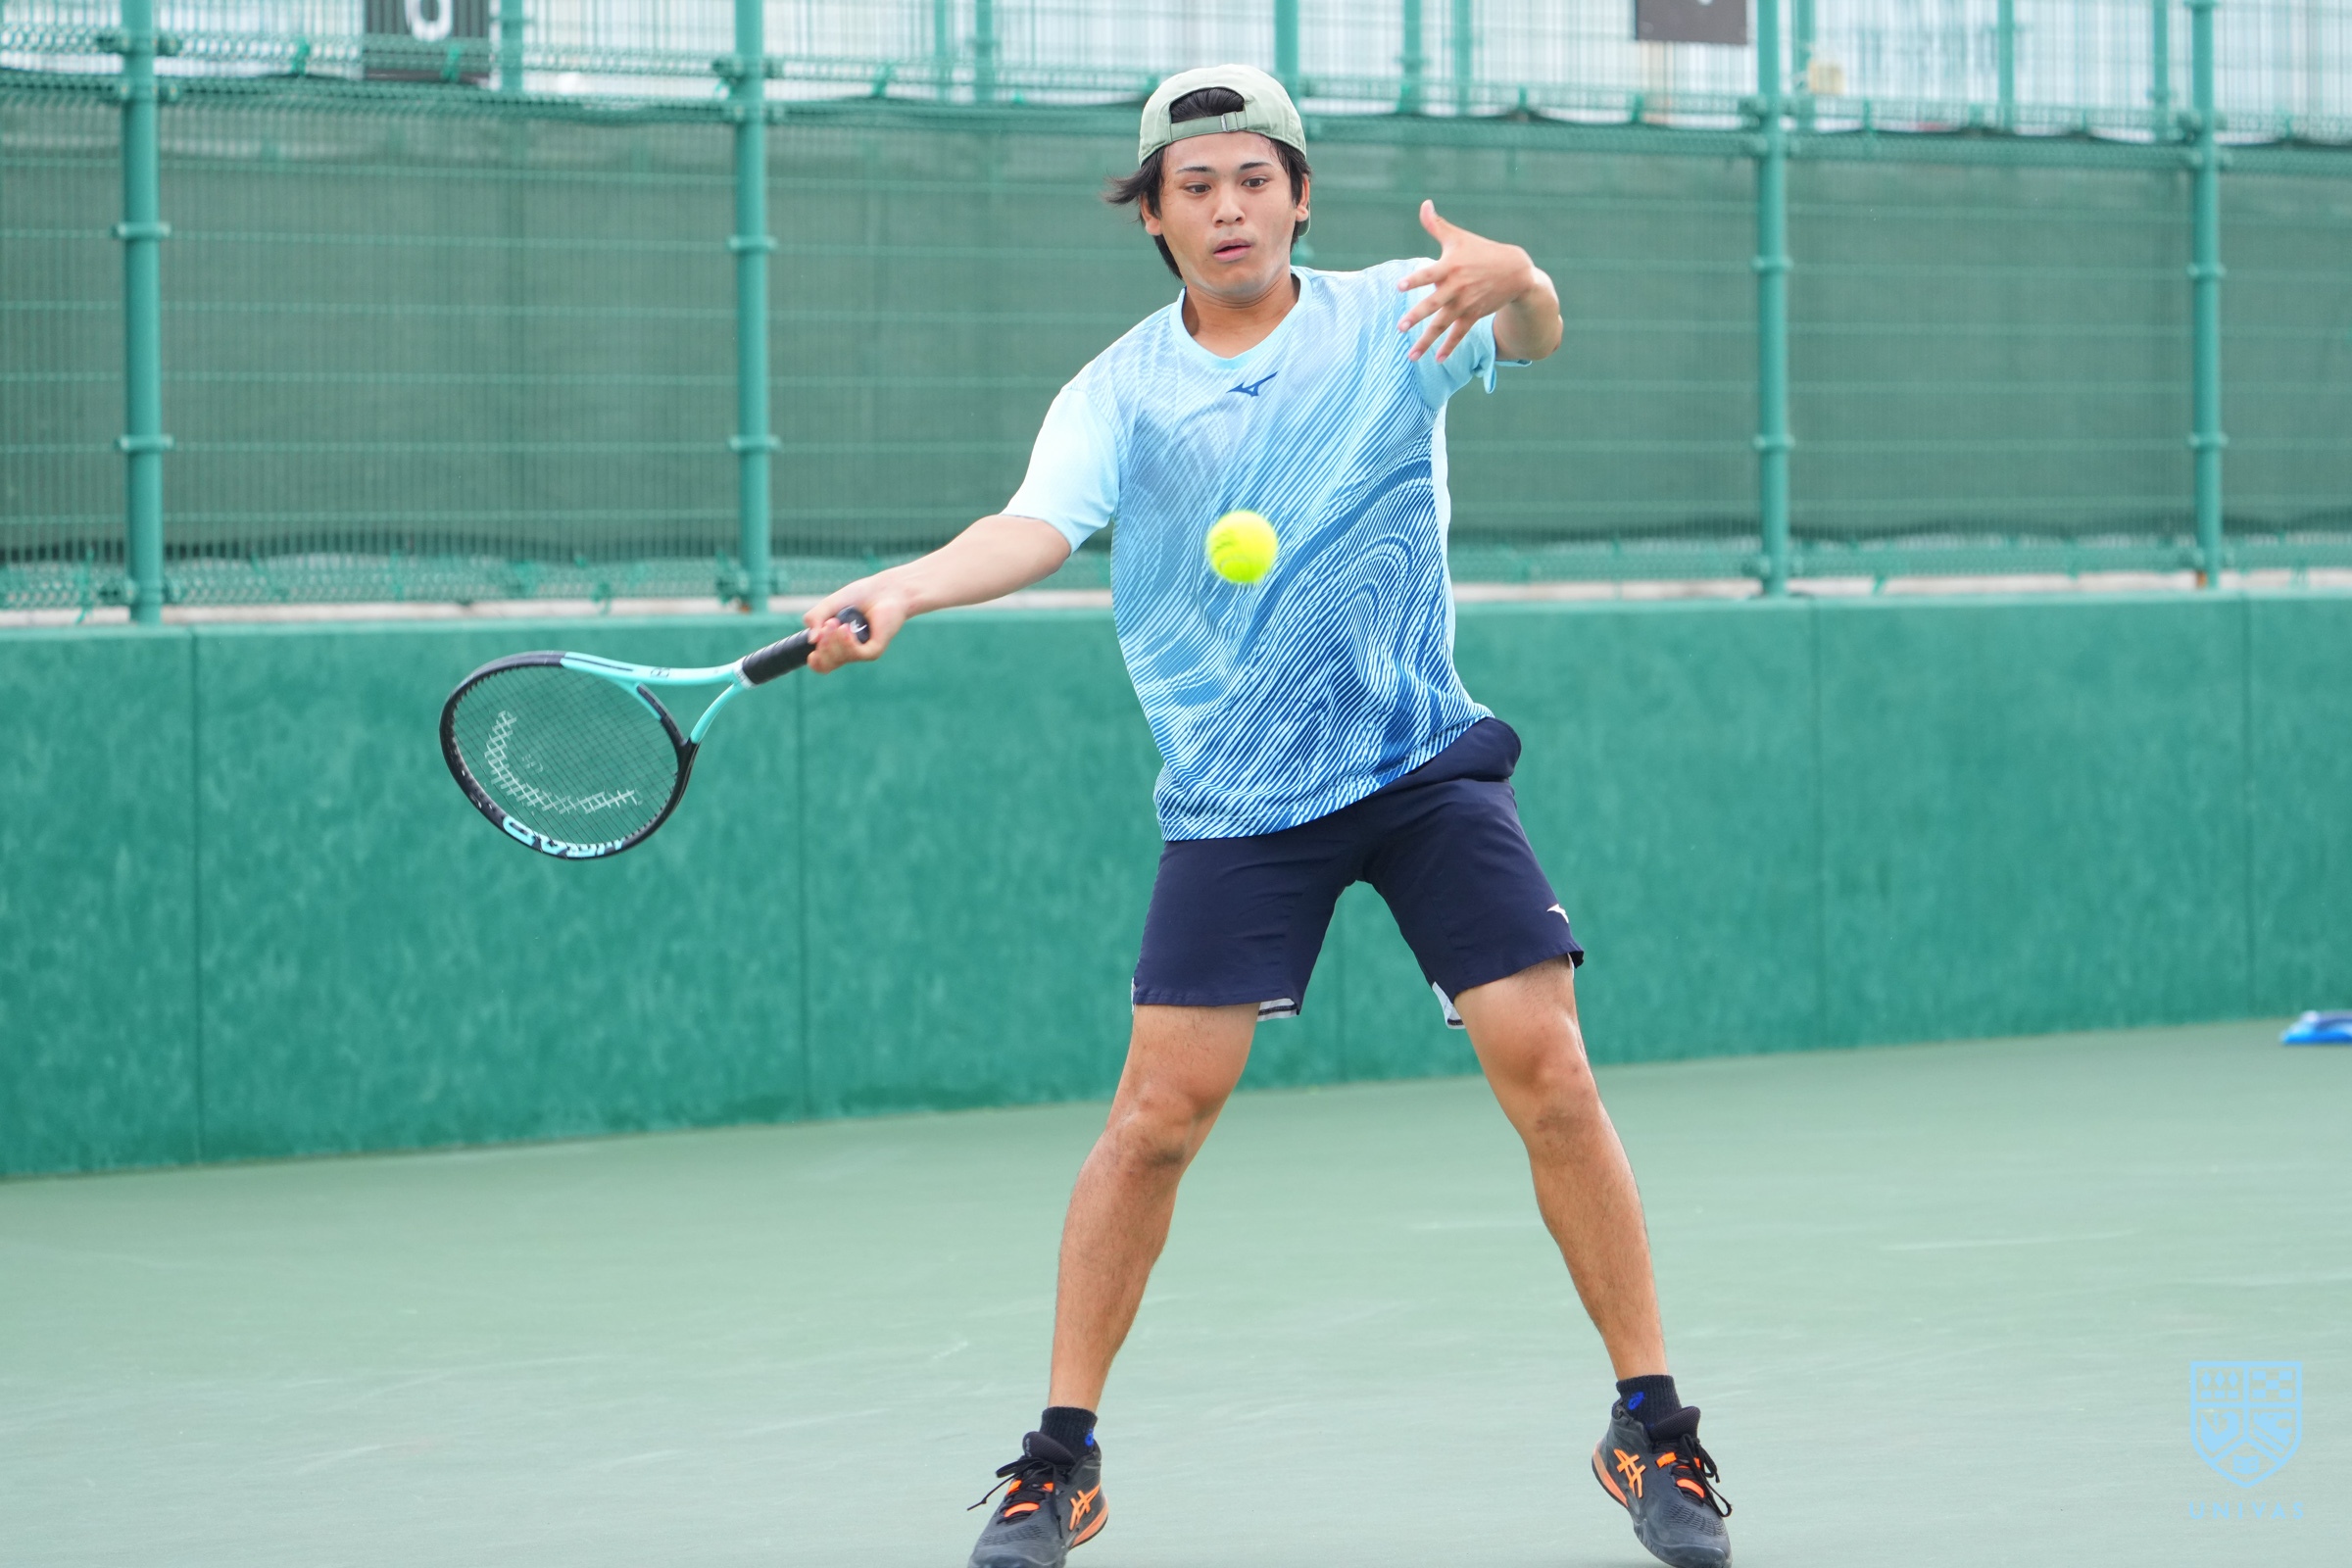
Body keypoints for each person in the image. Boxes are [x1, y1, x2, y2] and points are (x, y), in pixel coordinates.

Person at [801, 63, 1733, 1568]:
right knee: (1156, 1122)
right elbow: (1034, 525)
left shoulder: (1396, 315)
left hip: (1417, 759)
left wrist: (1524, 277)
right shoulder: (1118, 393)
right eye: (1196, 187)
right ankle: (1059, 1461)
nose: (1227, 208)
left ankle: (1653, 1425)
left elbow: (1531, 335)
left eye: (1253, 179)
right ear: (1155, 218)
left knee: (1549, 1064)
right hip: (1238, 792)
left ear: (1300, 197)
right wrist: (905, 587)